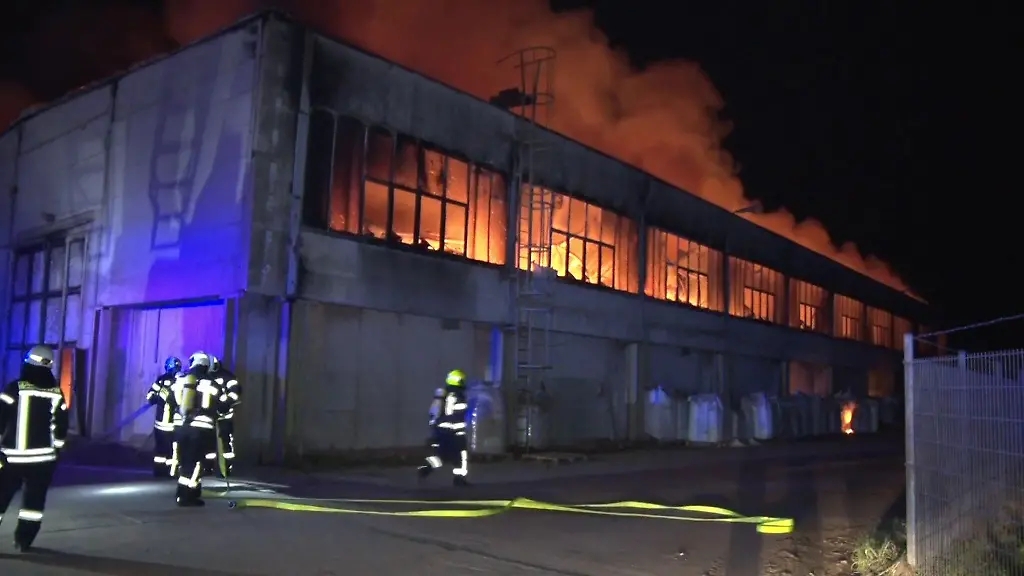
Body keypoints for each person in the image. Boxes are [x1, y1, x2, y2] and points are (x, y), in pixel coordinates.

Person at [0, 345, 68, 551]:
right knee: (34, 504)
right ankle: (24, 540)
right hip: (43, 461)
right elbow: (61, 427)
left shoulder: (14, 388)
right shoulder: (57, 393)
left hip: (13, 458)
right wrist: (57, 450)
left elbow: (1, 418)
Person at [167, 351, 222, 507]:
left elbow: (170, 401)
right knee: (197, 462)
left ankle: (191, 493)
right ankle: (185, 495)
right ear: (206, 365)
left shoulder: (180, 380)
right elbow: (221, 405)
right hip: (201, 429)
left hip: (180, 428)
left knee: (185, 461)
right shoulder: (212, 383)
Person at [418, 369, 470, 487]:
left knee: (441, 456)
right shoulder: (457, 395)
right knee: (461, 455)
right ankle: (459, 480)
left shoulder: (442, 394)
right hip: (455, 432)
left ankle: (426, 469)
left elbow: (434, 412)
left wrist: (435, 429)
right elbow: (456, 414)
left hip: (442, 432)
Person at [146, 356, 181, 478]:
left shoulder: (161, 380)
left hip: (162, 423)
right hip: (174, 424)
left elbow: (150, 397)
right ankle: (171, 472)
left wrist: (157, 398)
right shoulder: (181, 380)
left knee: (161, 450)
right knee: (172, 449)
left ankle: (160, 472)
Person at [207, 355, 240, 477]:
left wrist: (224, 405)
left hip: (224, 417)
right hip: (209, 417)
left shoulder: (228, 377)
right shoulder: (207, 376)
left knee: (225, 444)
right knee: (208, 444)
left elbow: (235, 395)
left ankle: (225, 469)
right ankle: (208, 468)